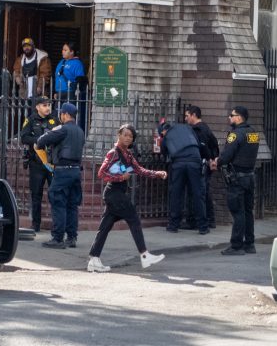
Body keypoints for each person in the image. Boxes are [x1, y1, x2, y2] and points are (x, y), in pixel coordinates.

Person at [87, 124, 168, 273]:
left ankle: (94, 259)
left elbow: (139, 170)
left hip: (116, 194)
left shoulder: (128, 155)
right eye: (125, 134)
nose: (127, 138)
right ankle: (144, 255)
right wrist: (119, 177)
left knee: (104, 228)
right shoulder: (114, 153)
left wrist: (156, 173)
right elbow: (101, 173)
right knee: (134, 219)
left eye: (130, 136)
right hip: (114, 193)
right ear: (119, 135)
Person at [35, 102, 85, 249]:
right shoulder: (80, 131)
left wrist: (52, 132)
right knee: (72, 205)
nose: (60, 116)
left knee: (58, 203)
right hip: (76, 171)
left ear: (65, 114)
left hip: (63, 171)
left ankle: (57, 238)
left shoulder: (62, 129)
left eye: (61, 114)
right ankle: (71, 237)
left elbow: (41, 141)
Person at [212, 106, 260, 256]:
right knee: (247, 211)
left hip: (237, 178)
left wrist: (216, 162)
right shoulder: (253, 133)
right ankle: (250, 244)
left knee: (237, 211)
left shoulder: (235, 134)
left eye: (231, 115)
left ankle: (236, 245)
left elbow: (227, 155)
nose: (229, 118)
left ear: (239, 117)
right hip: (249, 177)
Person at [159, 120, 208, 235]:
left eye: (161, 134)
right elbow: (198, 143)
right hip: (195, 162)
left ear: (164, 131)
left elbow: (164, 152)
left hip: (178, 164)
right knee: (197, 194)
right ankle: (202, 227)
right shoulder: (187, 129)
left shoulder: (167, 136)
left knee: (176, 194)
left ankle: (173, 225)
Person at [19, 96, 58, 232]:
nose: (47, 108)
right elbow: (24, 137)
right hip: (37, 163)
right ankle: (36, 225)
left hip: (52, 163)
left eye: (49, 105)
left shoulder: (55, 120)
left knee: (55, 194)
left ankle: (56, 225)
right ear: (37, 107)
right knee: (36, 195)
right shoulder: (30, 120)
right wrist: (40, 139)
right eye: (44, 105)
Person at [185, 106, 220, 229]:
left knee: (199, 193)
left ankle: (199, 221)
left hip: (201, 164)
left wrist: (210, 159)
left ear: (194, 115)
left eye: (187, 115)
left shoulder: (198, 129)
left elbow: (203, 147)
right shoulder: (206, 128)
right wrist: (214, 158)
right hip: (206, 164)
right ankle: (210, 220)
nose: (186, 118)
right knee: (205, 192)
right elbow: (215, 143)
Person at [54, 42, 87, 132]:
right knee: (58, 115)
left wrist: (77, 90)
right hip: (59, 92)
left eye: (65, 50)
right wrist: (56, 92)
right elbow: (57, 77)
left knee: (69, 116)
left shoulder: (77, 63)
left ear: (72, 52)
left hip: (70, 93)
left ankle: (70, 133)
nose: (63, 52)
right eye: (62, 50)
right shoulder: (61, 62)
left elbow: (80, 79)